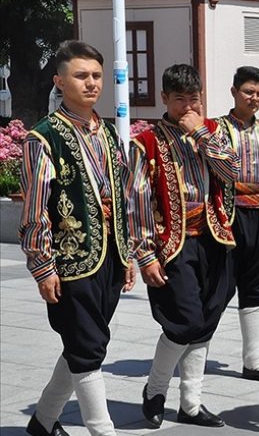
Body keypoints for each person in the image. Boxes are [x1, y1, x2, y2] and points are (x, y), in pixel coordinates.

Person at [20, 39, 136, 436]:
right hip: (71, 261)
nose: (91, 83)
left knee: (83, 342)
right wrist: (42, 266)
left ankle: (43, 421)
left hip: (110, 256)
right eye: (81, 75)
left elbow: (121, 197)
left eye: (97, 76)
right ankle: (102, 430)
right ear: (59, 81)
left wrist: (129, 253)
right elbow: (35, 208)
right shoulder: (43, 137)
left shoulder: (105, 132)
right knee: (87, 348)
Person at [130, 64, 240, 429]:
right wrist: (145, 256)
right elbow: (138, 202)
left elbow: (232, 173)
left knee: (205, 324)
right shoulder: (145, 143)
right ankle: (155, 390)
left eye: (194, 99)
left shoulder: (212, 133)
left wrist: (202, 136)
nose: (188, 108)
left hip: (214, 239)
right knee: (184, 323)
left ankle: (191, 403)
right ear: (165, 99)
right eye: (180, 100)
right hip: (172, 244)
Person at [214, 66, 259, 384]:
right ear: (234, 92)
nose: (254, 98)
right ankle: (195, 349)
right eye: (248, 92)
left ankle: (254, 361)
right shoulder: (216, 129)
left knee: (258, 289)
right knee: (219, 289)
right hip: (228, 221)